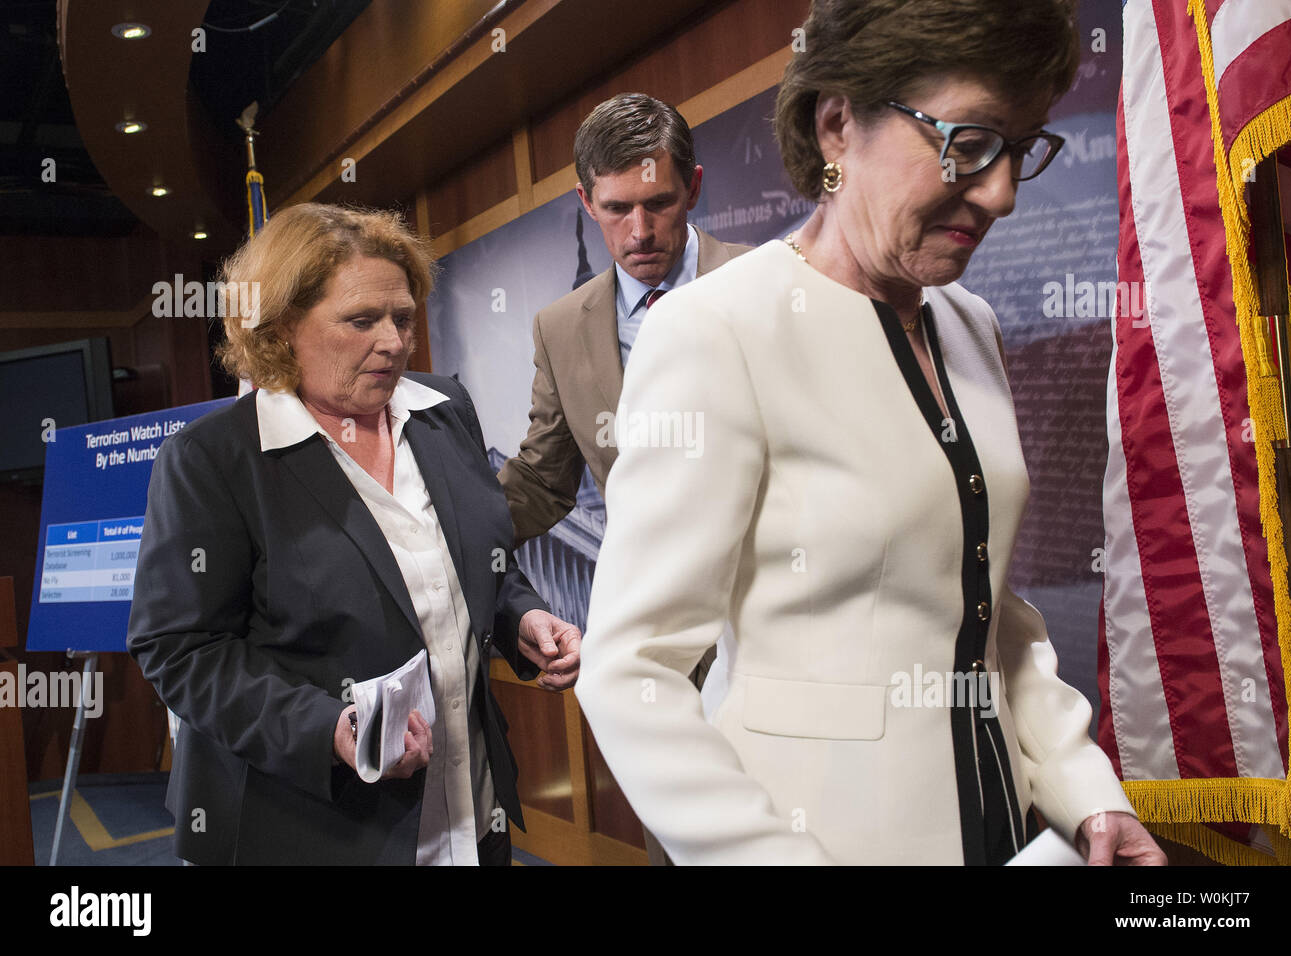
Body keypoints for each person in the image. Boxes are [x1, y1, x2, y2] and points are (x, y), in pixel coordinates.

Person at [575, 0, 1166, 865]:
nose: (999, 193)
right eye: (967, 143)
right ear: (838, 124)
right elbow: (632, 672)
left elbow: (987, 611)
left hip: (1000, 833)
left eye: (1019, 148)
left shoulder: (970, 326)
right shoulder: (716, 329)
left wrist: (1086, 794)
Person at [128, 203, 581, 866]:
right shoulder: (213, 459)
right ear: (280, 327)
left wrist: (522, 616)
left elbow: (474, 554)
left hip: (469, 803)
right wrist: (328, 730)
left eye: (402, 316)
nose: (395, 341)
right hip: (313, 827)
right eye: (361, 320)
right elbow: (181, 649)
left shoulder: (442, 410)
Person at [497, 92, 749, 543]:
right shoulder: (559, 331)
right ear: (587, 202)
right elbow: (542, 483)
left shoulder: (767, 281)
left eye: (658, 203)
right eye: (617, 208)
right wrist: (439, 541)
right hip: (652, 595)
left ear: (692, 188)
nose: (640, 232)